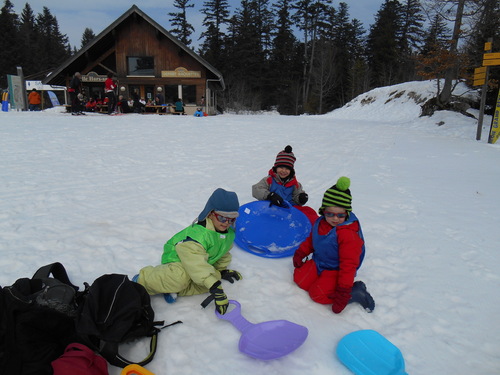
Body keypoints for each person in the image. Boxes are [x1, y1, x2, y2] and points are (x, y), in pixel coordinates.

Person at [134, 188, 242, 315]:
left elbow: (223, 253)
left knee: (212, 277)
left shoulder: (227, 234)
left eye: (232, 219)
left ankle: (172, 289)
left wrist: (221, 270)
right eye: (223, 218)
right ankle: (143, 280)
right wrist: (214, 287)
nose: (227, 223)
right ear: (211, 213)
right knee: (181, 277)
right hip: (177, 260)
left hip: (198, 263)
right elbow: (195, 261)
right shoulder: (198, 235)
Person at [292, 176, 375, 314]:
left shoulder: (348, 234)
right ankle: (323, 280)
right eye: (330, 214)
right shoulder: (321, 222)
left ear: (346, 214)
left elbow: (348, 265)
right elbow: (313, 240)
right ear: (323, 211)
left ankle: (354, 292)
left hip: (337, 269)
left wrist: (343, 292)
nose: (335, 219)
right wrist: (301, 252)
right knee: (300, 280)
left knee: (318, 295)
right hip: (320, 261)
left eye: (340, 215)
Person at [252, 145, 318, 223]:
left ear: (291, 171)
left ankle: (317, 229)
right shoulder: (269, 180)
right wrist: (270, 195)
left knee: (309, 212)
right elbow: (256, 189)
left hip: (289, 210)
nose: (283, 171)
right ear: (275, 168)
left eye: (287, 169)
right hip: (271, 209)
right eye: (281, 167)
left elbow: (297, 198)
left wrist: (301, 198)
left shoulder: (295, 184)